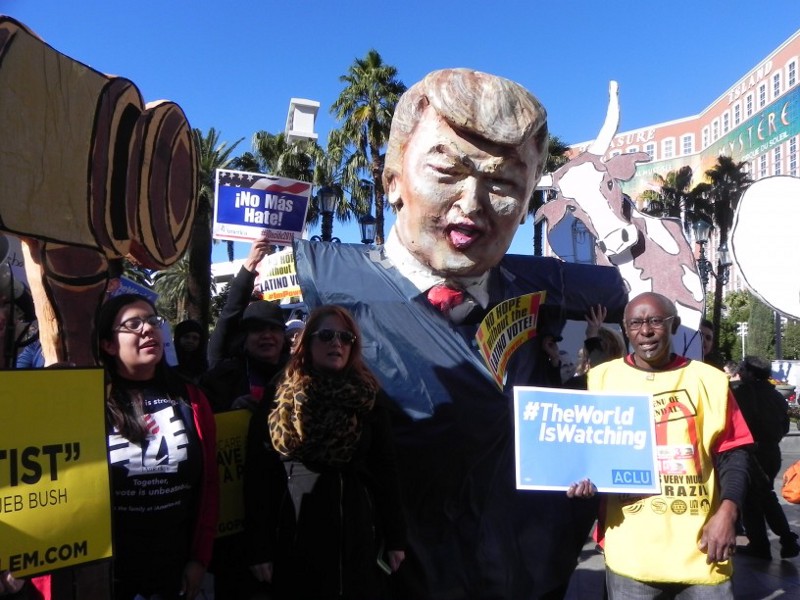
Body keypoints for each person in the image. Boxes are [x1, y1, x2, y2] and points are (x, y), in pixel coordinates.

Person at [293, 68, 630, 598]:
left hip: (505, 565)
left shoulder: (541, 289)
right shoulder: (326, 275)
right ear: (393, 181)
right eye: (448, 170)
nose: (472, 204)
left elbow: (643, 306)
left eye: (502, 183)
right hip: (379, 557)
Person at [575, 292, 753, 598]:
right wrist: (575, 477)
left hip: (702, 549)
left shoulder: (709, 380)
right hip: (631, 553)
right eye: (636, 323)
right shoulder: (601, 379)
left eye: (655, 321)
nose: (645, 331)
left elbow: (734, 454)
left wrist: (728, 513)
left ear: (674, 325)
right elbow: (579, 450)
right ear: (625, 328)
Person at [244, 305, 407, 600]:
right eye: (327, 335)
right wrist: (259, 547)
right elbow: (259, 475)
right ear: (307, 343)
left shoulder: (368, 396)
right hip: (297, 532)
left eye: (346, 338)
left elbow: (387, 470)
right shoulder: (280, 394)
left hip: (356, 533)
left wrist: (395, 537)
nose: (337, 343)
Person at [97, 293, 218, 599]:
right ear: (108, 344)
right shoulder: (87, 401)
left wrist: (199, 559)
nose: (148, 329)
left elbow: (209, 486)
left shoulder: (191, 398)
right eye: (133, 324)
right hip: (109, 576)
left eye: (153, 320)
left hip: (174, 571)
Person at [203, 237, 289, 412]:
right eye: (258, 330)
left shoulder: (297, 372)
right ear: (245, 337)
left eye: (274, 329)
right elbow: (231, 313)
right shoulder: (225, 373)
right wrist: (251, 264)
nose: (267, 335)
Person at [732, 355, 800, 560]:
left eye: (743, 369)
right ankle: (782, 541)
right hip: (772, 453)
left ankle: (768, 543)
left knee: (754, 501)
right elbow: (784, 426)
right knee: (765, 495)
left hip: (752, 454)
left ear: (751, 373)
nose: (739, 372)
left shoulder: (742, 393)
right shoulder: (776, 396)